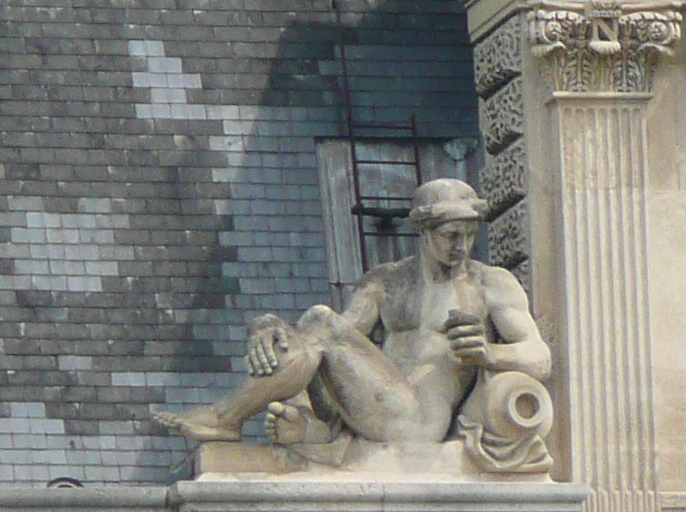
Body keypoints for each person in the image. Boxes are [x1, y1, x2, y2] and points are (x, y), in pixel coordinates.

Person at [153, 178, 549, 459]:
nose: (462, 244)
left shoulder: (490, 283)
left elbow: (539, 357)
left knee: (321, 322)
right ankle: (305, 425)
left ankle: (225, 417)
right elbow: (321, 351)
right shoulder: (387, 283)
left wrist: (488, 354)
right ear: (423, 231)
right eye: (450, 234)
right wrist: (267, 325)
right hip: (381, 404)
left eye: (468, 232)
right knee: (319, 324)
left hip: (422, 421)